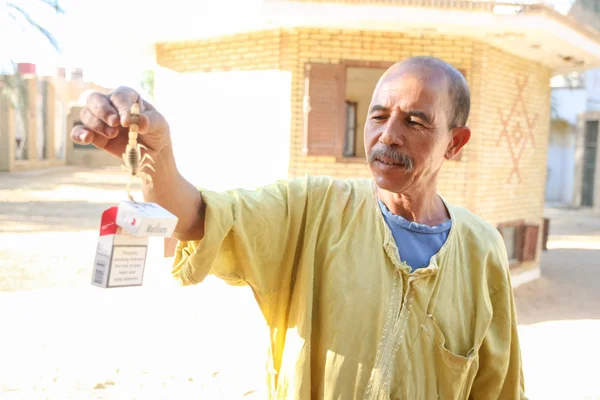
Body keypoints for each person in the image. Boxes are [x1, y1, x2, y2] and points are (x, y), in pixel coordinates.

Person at [72, 56, 526, 399]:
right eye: (378, 115)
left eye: (415, 121)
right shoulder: (311, 208)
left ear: (455, 143)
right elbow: (196, 218)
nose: (388, 135)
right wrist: (156, 156)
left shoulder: (481, 247)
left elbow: (499, 385)